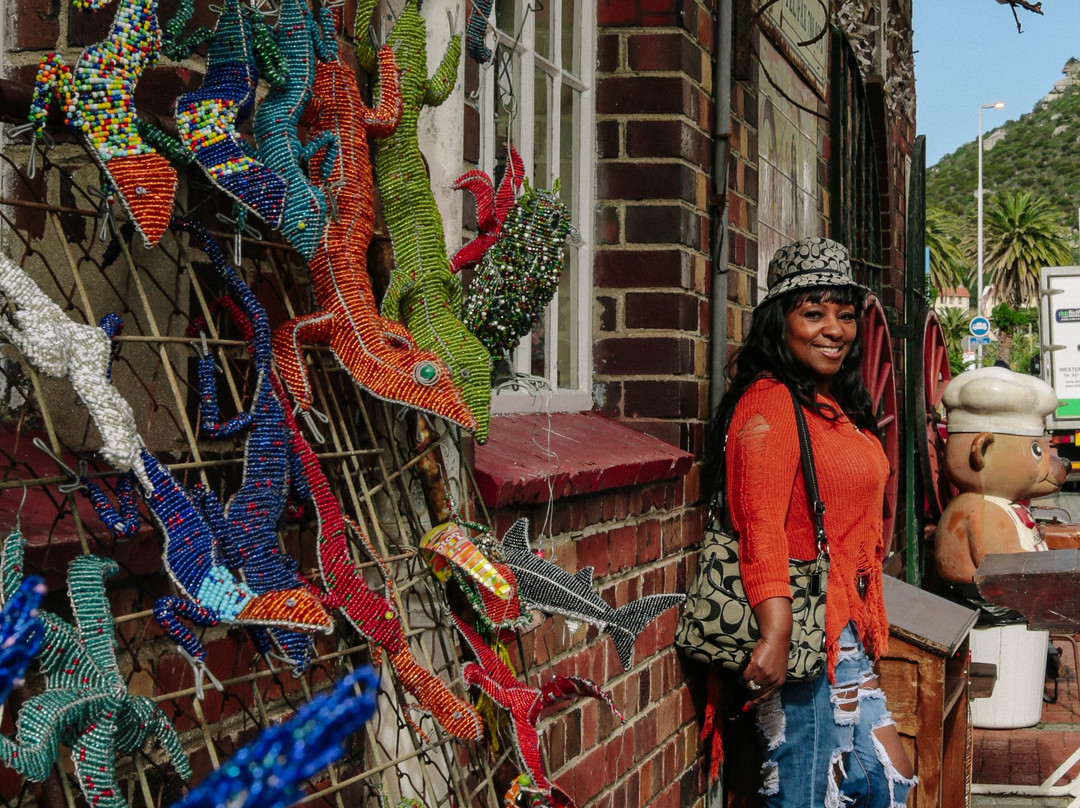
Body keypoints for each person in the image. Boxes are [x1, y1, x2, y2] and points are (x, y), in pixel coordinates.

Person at [705, 237, 916, 807]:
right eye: (813, 312)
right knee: (806, 790)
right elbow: (760, 528)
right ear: (781, 320)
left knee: (883, 779)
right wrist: (774, 633)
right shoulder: (770, 403)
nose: (835, 329)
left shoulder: (830, 402)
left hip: (842, 629)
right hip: (800, 631)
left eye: (845, 315)